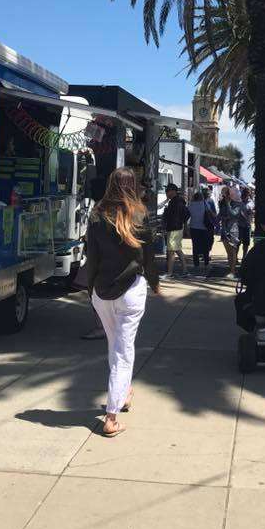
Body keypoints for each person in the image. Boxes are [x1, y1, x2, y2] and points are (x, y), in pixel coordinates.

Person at [84, 167, 160, 438]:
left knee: (115, 345)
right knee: (123, 352)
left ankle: (124, 392)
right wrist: (155, 283)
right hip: (130, 291)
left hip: (102, 291)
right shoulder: (140, 214)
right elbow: (148, 258)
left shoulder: (97, 215)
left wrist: (90, 288)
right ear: (133, 186)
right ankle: (111, 417)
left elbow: (92, 257)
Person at [218, 185, 251, 277]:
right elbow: (220, 215)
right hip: (224, 229)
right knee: (229, 253)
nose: (225, 196)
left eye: (226, 194)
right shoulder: (223, 203)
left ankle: (232, 271)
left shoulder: (238, 204)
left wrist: (228, 204)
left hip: (233, 230)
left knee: (233, 252)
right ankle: (231, 270)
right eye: (224, 194)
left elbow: (234, 214)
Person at [161, 183, 190, 278]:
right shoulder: (175, 201)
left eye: (167, 191)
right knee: (177, 250)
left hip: (174, 228)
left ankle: (170, 273)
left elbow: (186, 214)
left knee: (171, 251)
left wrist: (178, 221)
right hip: (175, 228)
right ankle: (185, 270)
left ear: (173, 191)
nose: (166, 193)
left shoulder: (176, 202)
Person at [188, 188, 216, 273]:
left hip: (193, 227)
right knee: (205, 246)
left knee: (195, 246)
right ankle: (206, 263)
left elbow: (188, 214)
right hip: (204, 228)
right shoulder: (205, 203)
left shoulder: (191, 205)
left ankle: (196, 264)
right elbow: (212, 214)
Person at [239, 186, 254, 261]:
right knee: (238, 242)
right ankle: (235, 259)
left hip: (247, 224)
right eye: (245, 193)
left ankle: (244, 257)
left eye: (248, 193)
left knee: (246, 243)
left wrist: (252, 212)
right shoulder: (239, 201)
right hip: (239, 224)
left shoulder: (251, 202)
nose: (247, 194)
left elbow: (253, 212)